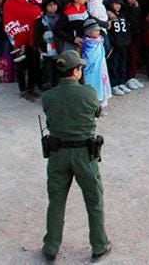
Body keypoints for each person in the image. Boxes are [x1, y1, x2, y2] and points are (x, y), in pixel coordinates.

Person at [40, 50, 111, 263]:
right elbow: (96, 111)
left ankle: (51, 246)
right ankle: (99, 245)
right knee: (94, 200)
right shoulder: (88, 93)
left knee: (56, 201)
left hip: (57, 154)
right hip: (84, 154)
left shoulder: (48, 96)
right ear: (77, 71)